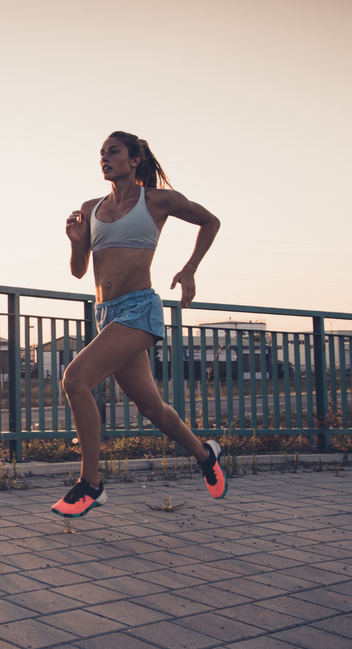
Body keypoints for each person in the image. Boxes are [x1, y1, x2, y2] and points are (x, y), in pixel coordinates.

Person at [53, 131, 225, 517]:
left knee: (75, 378)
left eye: (113, 151)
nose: (104, 158)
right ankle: (205, 455)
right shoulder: (90, 207)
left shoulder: (157, 200)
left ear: (134, 160)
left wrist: (190, 268)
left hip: (139, 309)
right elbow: (80, 272)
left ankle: (91, 484)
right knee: (151, 407)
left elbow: (210, 221)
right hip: (107, 314)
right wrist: (75, 242)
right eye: (101, 153)